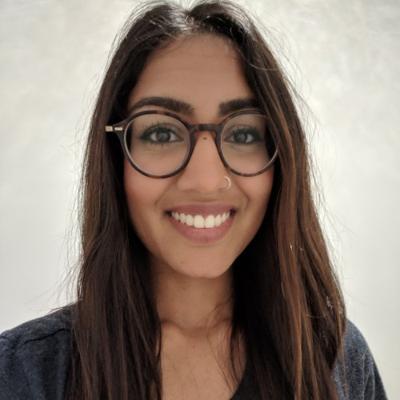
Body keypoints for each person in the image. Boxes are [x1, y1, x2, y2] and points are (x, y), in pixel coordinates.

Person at [0, 1, 388, 399]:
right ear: (116, 159)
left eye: (243, 134)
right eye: (162, 133)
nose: (205, 181)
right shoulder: (20, 374)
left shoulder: (336, 360)